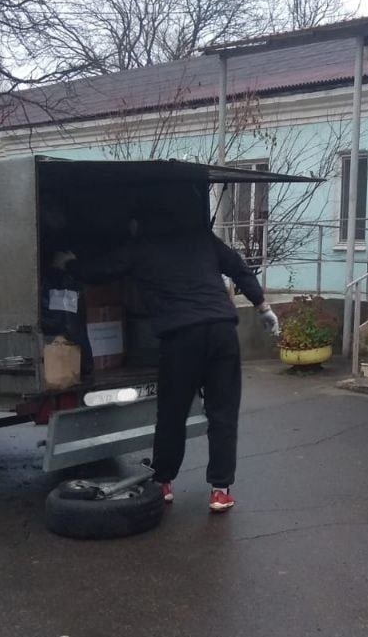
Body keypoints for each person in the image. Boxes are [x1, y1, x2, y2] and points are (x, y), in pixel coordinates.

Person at [54, 185, 279, 513]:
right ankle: (220, 490)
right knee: (222, 413)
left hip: (181, 337)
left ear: (142, 220)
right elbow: (239, 268)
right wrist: (263, 307)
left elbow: (101, 272)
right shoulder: (202, 240)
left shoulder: (142, 248)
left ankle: (163, 481)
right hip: (222, 333)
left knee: (172, 413)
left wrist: (69, 263)